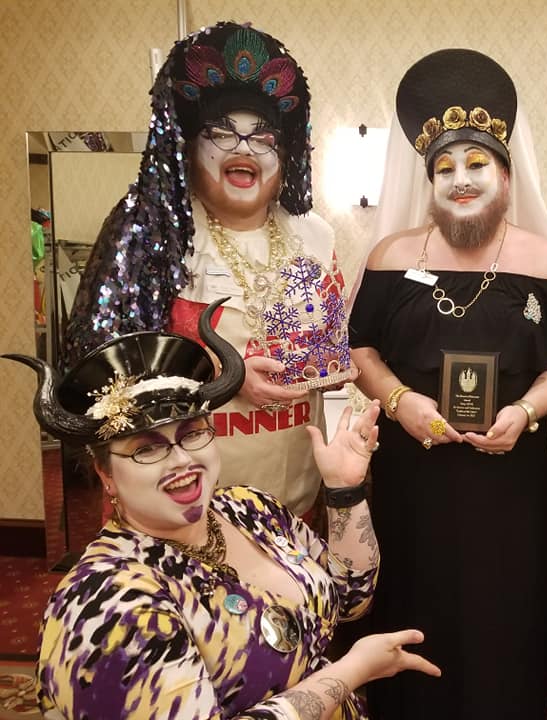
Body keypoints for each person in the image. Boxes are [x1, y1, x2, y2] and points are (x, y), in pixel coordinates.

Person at [4, 299, 440, 719]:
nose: (181, 461)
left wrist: (344, 492)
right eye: (146, 449)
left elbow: (351, 598)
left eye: (192, 433)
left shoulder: (250, 509)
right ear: (106, 475)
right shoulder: (106, 601)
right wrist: (348, 674)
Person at [348, 49, 547, 718]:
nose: (461, 180)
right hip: (412, 471)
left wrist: (526, 410)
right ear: (429, 182)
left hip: (509, 472)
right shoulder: (391, 256)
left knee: (500, 611)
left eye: (477, 164)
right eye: (445, 168)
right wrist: (400, 401)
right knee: (414, 598)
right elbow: (359, 348)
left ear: (506, 178)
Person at [63, 21, 350, 516]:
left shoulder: (315, 235)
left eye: (263, 137)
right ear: (188, 147)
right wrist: (223, 376)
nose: (244, 148)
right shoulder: (153, 230)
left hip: (296, 495)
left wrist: (331, 368)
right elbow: (101, 369)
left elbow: (334, 344)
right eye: (221, 134)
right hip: (183, 502)